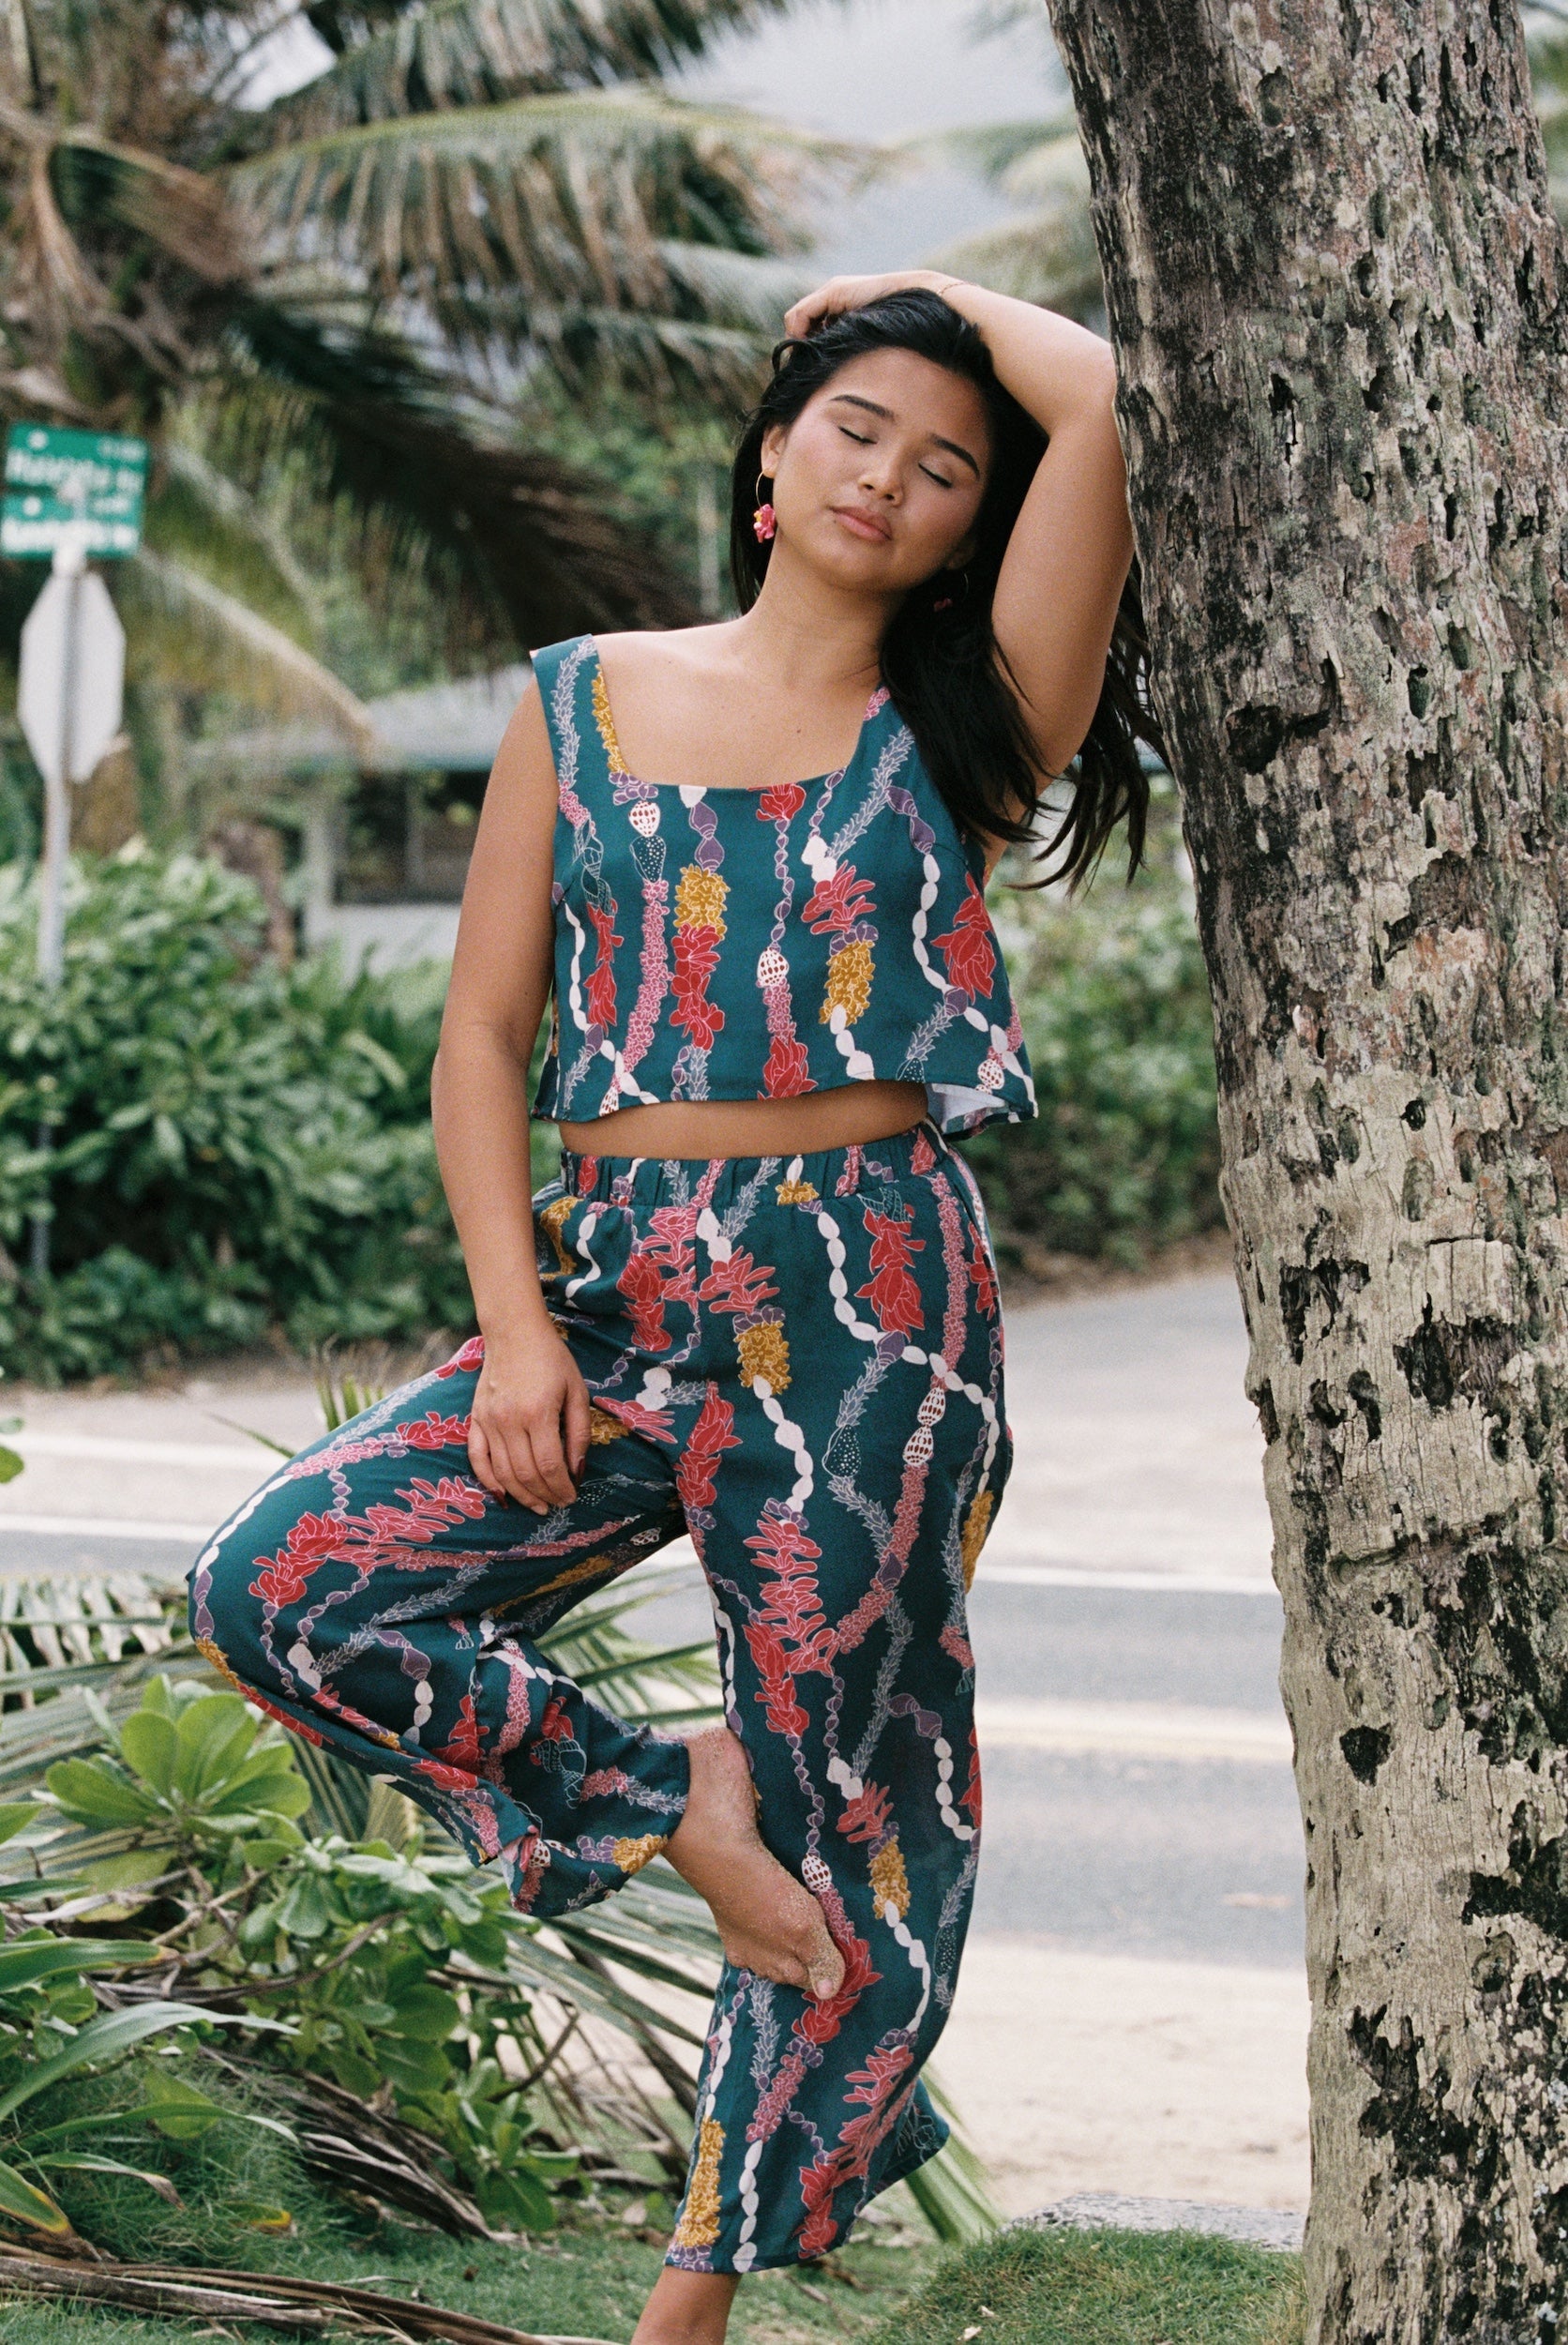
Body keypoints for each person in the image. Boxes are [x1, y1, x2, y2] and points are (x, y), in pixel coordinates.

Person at [189, 270, 1153, 2344]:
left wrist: (931, 311)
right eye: (851, 424)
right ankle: (658, 1805)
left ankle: (689, 2294)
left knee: (848, 1777)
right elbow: (478, 1033)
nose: (888, 473)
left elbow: (1106, 407)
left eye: (940, 462)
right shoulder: (579, 692)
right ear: (765, 457)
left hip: (870, 1289)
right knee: (287, 1584)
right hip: (612, 1281)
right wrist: (516, 1330)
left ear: (975, 520)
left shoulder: (971, 715)